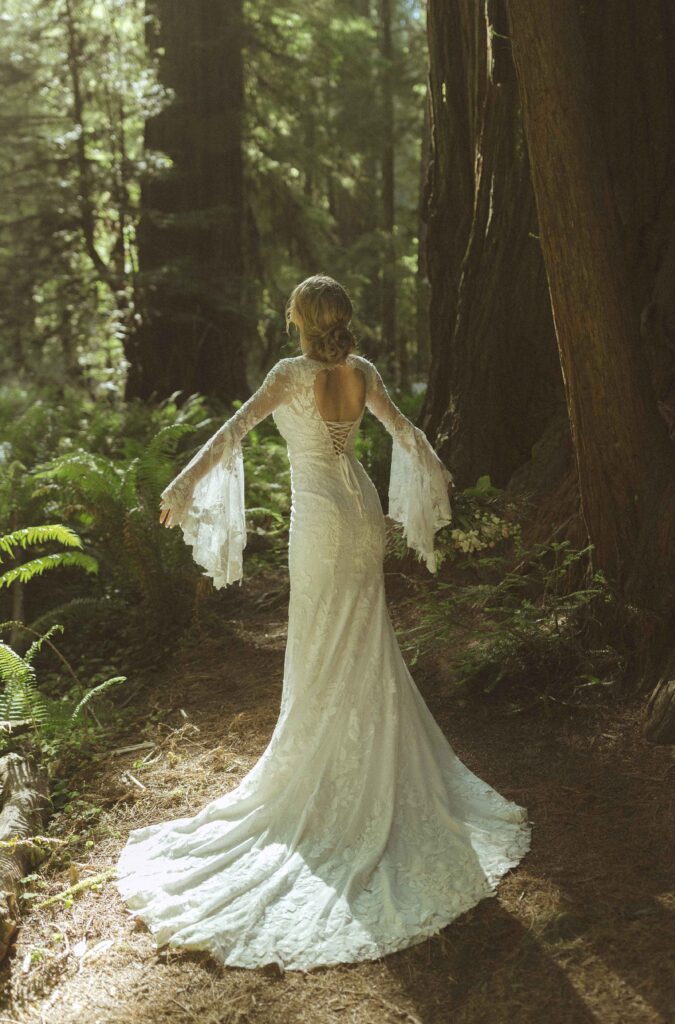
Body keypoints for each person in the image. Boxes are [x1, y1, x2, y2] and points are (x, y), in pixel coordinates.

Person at [115, 274, 531, 971]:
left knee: (318, 646)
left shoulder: (286, 375)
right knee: (365, 641)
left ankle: (328, 775)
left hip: (319, 522)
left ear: (301, 321)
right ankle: (367, 763)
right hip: (362, 513)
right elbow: (407, 434)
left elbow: (231, 432)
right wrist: (437, 474)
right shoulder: (362, 372)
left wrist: (183, 484)